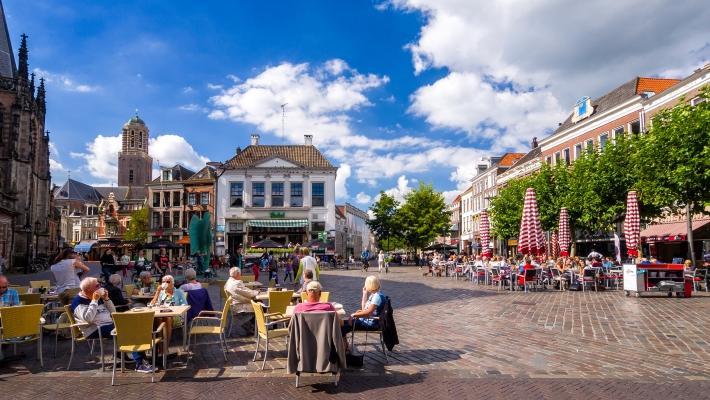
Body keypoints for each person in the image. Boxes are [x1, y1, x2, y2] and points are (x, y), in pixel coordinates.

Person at [71, 277, 155, 373]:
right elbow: (88, 318)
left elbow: (113, 312)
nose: (101, 287)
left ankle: (126, 356)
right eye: (97, 286)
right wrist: (94, 301)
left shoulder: (97, 296)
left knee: (134, 325)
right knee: (128, 330)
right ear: (88, 289)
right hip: (94, 328)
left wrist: (106, 299)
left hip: (109, 324)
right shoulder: (78, 301)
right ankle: (140, 364)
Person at [149, 275, 186, 352]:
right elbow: (151, 305)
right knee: (158, 319)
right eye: (163, 282)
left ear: (172, 283)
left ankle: (165, 349)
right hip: (161, 315)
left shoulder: (179, 292)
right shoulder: (161, 293)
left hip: (175, 316)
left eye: (168, 282)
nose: (165, 283)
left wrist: (177, 308)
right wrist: (157, 292)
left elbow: (185, 305)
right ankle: (161, 349)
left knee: (168, 318)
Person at [224, 267, 259, 335]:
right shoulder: (237, 283)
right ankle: (255, 328)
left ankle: (251, 327)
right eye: (240, 274)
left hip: (234, 304)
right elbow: (249, 293)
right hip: (239, 306)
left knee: (258, 303)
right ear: (237, 274)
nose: (241, 275)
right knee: (259, 306)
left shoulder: (229, 281)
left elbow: (244, 292)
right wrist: (256, 292)